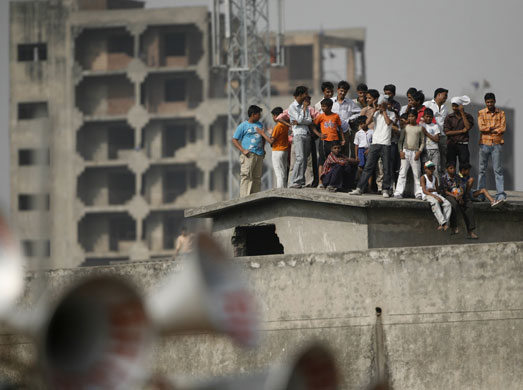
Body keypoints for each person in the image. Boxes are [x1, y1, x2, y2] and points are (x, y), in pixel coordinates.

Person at [350, 94, 396, 197]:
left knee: (386, 168)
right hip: (375, 143)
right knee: (368, 167)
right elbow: (366, 123)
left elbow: (388, 123)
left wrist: (384, 111)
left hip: (386, 144)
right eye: (379, 105)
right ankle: (359, 188)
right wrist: (375, 110)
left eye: (382, 104)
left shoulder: (391, 114)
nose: (380, 106)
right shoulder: (376, 114)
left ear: (386, 104)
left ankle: (385, 189)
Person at [477, 92, 507, 202]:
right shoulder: (481, 113)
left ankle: (500, 194)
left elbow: (502, 128)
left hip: (497, 144)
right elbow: (481, 127)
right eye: (488, 102)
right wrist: (494, 128)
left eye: (491, 102)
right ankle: (481, 194)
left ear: (495, 101)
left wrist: (489, 128)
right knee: (482, 170)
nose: (490, 104)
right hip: (484, 143)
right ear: (485, 102)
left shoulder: (501, 113)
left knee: (498, 170)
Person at [232, 104, 266, 197]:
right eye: (258, 114)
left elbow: (262, 137)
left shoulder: (260, 124)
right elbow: (234, 139)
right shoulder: (243, 125)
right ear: (253, 114)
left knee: (257, 177)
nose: (260, 116)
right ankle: (244, 197)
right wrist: (243, 150)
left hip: (259, 154)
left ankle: (255, 197)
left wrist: (263, 149)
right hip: (249, 155)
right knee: (247, 176)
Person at [441, 162, 478, 239]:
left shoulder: (457, 177)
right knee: (454, 204)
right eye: (450, 168)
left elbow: (461, 187)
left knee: (469, 205)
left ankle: (470, 231)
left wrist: (460, 196)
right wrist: (455, 196)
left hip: (458, 195)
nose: (453, 170)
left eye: (454, 168)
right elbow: (445, 191)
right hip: (449, 195)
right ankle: (454, 227)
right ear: (447, 169)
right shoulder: (444, 178)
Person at [394, 109, 425, 199]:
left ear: (416, 117)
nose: (411, 118)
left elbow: (422, 141)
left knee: (416, 173)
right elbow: (400, 141)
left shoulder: (420, 128)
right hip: (405, 151)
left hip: (415, 152)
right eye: (409, 116)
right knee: (402, 172)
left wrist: (419, 151)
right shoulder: (405, 128)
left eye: (412, 116)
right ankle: (398, 192)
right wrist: (401, 151)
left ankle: (418, 193)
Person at [313, 98, 344, 184]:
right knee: (322, 161)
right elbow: (313, 126)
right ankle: (320, 182)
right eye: (322, 106)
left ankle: (331, 181)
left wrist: (343, 139)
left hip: (334, 141)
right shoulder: (321, 116)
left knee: (334, 160)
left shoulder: (335, 116)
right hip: (324, 141)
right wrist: (319, 135)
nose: (323, 108)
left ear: (330, 107)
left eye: (324, 106)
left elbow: (340, 128)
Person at [288, 86, 313, 188]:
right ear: (301, 94)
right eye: (306, 93)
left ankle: (300, 181)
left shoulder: (304, 106)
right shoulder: (292, 107)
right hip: (298, 134)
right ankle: (293, 181)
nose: (307, 96)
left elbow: (309, 120)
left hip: (306, 134)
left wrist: (300, 121)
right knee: (300, 158)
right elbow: (298, 120)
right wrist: (303, 113)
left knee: (305, 159)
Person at [331, 81, 361, 157]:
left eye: (345, 91)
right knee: (332, 151)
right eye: (341, 90)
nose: (343, 93)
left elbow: (359, 112)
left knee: (345, 152)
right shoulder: (331, 102)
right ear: (337, 90)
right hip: (332, 130)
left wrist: (350, 119)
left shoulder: (350, 102)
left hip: (344, 130)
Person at [424, 88, 449, 178]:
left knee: (442, 160)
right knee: (428, 160)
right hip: (429, 136)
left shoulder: (445, 108)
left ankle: (441, 182)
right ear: (438, 95)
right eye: (444, 95)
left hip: (442, 136)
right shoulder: (427, 104)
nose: (446, 97)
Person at [420, 161, 451, 230]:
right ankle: (443, 223)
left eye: (432, 168)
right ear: (425, 169)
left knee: (448, 204)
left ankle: (444, 223)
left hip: (434, 194)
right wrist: (435, 196)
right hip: (427, 195)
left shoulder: (435, 178)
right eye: (429, 168)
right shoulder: (423, 177)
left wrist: (433, 191)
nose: (431, 170)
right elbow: (424, 191)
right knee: (435, 202)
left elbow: (437, 190)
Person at [444, 95, 474, 169]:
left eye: (456, 106)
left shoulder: (468, 116)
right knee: (451, 166)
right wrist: (461, 131)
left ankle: (462, 180)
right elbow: (447, 132)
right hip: (451, 145)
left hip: (463, 145)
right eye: (453, 106)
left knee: (464, 167)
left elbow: (467, 127)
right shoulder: (449, 117)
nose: (454, 108)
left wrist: (462, 113)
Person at [270, 107, 290, 188]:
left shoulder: (278, 126)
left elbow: (272, 141)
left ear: (275, 116)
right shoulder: (285, 125)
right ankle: (284, 187)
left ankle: (280, 189)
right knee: (284, 171)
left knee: (278, 172)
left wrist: (262, 133)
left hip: (277, 150)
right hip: (284, 150)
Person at [420, 108, 441, 180]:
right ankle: (426, 187)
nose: (428, 118)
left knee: (435, 169)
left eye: (430, 117)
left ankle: (436, 187)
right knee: (425, 170)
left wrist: (426, 133)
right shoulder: (421, 125)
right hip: (425, 150)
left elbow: (437, 139)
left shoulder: (435, 126)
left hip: (434, 150)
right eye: (427, 116)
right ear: (423, 116)